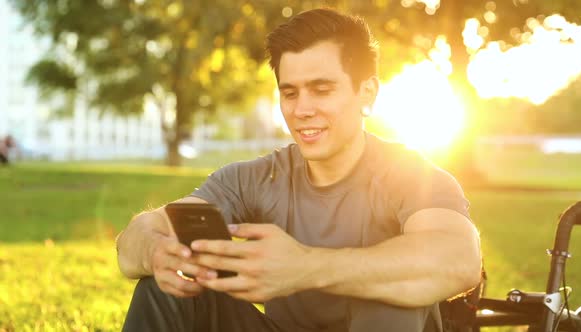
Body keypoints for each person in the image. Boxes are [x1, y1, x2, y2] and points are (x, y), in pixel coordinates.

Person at [116, 8, 481, 332]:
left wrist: (304, 267)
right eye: (290, 93)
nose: (302, 109)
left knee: (391, 294)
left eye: (321, 90)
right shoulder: (254, 178)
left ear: (367, 94)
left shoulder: (413, 176)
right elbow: (138, 237)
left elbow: (458, 260)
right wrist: (157, 254)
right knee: (160, 287)